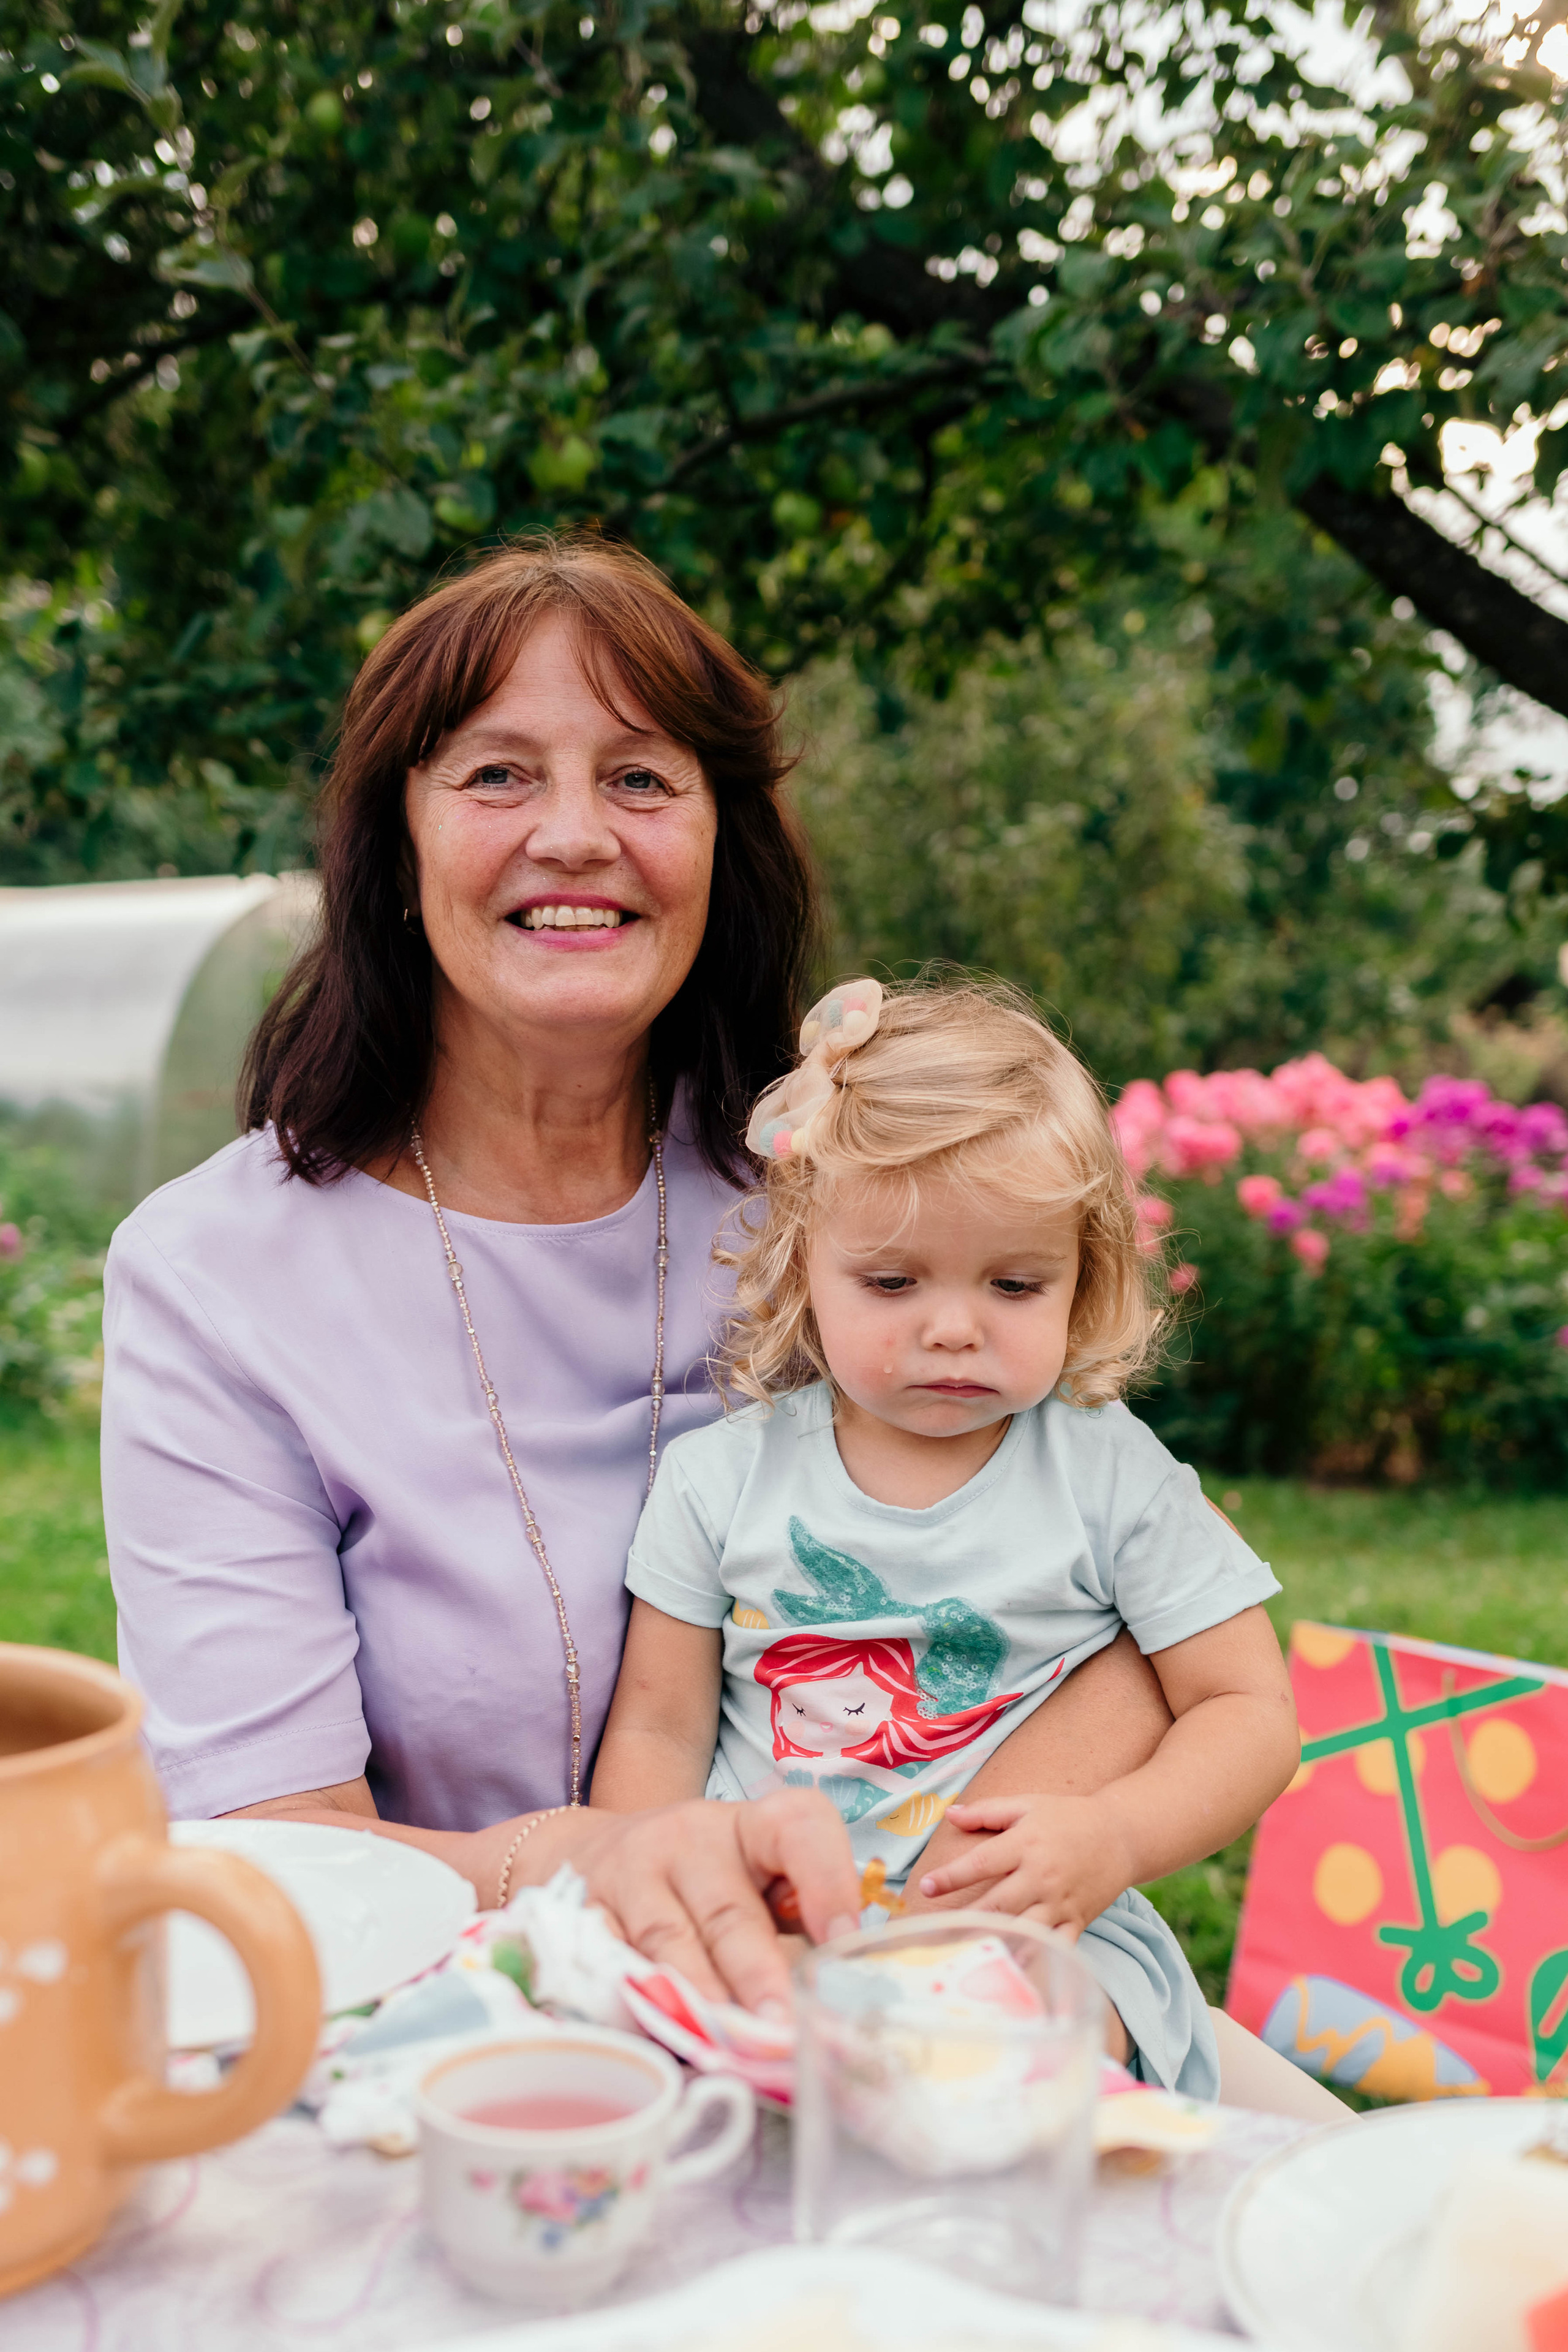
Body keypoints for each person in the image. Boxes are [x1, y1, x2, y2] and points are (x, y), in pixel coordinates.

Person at [100, 536, 1336, 2108]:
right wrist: (609, 1869)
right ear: (389, 847)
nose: (572, 836)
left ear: (719, 842)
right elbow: (278, 1860)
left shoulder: (849, 1205)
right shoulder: (218, 1279)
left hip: (951, 1980)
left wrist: (925, 1913)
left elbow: (1130, 1615)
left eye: (640, 777)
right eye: (493, 775)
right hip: (454, 2039)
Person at [591, 978, 1312, 2100]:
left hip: (1032, 1929)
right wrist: (655, 1895)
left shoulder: (1112, 1476)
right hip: (777, 1908)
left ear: (1083, 1281)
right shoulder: (719, 1482)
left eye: (1016, 1283)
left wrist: (1111, 1838)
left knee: (1017, 2054)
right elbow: (658, 1722)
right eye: (891, 1281)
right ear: (802, 1268)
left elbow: (1248, 1712)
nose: (951, 1327)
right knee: (714, 2062)